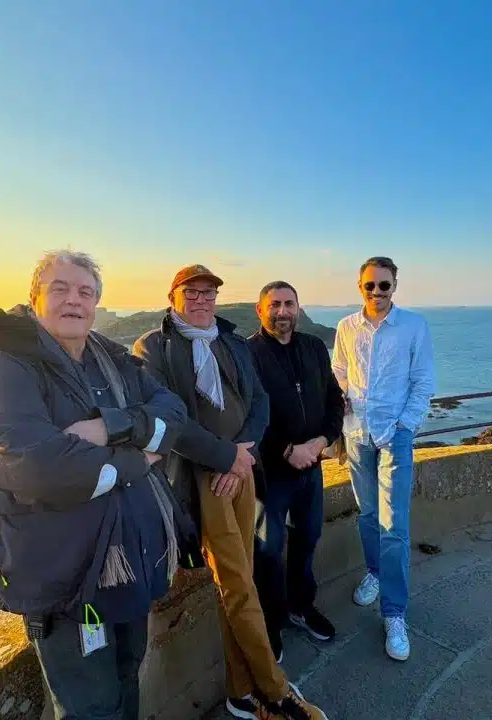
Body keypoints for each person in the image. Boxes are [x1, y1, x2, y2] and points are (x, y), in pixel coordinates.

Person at [0, 250, 199, 720]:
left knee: (129, 683)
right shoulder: (2, 369)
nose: (75, 301)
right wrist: (139, 459)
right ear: (34, 299)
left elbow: (173, 413)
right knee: (91, 711)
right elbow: (37, 469)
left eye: (86, 292)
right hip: (65, 584)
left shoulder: (109, 358)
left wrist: (110, 427)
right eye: (60, 289)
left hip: (130, 568)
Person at [133, 265, 328, 720]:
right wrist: (225, 458)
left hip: (241, 471)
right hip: (205, 477)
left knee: (239, 580)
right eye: (192, 292)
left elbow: (258, 402)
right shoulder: (154, 347)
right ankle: (274, 692)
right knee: (239, 585)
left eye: (209, 292)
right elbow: (170, 420)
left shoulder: (231, 341)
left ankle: (241, 692)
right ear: (173, 295)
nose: (202, 299)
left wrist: (241, 453)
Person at [332, 256, 436, 662]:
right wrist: (343, 399)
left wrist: (404, 426)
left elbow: (423, 380)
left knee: (395, 526)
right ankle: (375, 573)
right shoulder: (345, 327)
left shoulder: (414, 326)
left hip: (394, 436)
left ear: (395, 286)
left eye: (384, 285)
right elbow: (339, 369)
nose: (376, 292)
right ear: (360, 286)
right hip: (357, 434)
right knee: (368, 516)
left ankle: (394, 613)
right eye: (370, 285)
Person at [247, 281, 344, 661]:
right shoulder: (248, 354)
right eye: (274, 305)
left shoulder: (315, 347)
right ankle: (270, 622)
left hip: (312, 466)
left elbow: (334, 400)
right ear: (260, 310)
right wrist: (287, 449)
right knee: (267, 549)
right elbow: (250, 416)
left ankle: (300, 606)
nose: (282, 311)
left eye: (289, 304)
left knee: (307, 537)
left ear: (298, 309)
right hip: (268, 474)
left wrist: (320, 442)